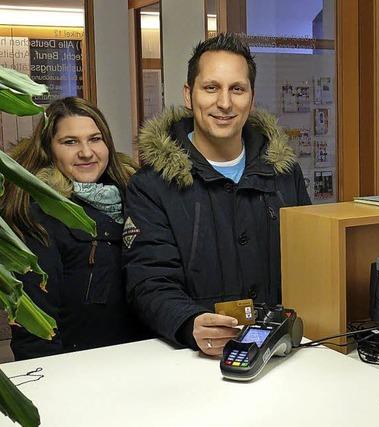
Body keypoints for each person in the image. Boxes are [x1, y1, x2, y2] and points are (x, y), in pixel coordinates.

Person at [123, 33, 310, 356]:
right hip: (197, 359)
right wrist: (188, 321)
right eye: (211, 88)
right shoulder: (151, 186)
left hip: (283, 352)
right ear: (188, 94)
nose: (224, 103)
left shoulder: (283, 173)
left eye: (237, 89)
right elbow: (148, 281)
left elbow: (310, 257)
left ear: (250, 98)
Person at [3, 97, 149, 360]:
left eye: (95, 139)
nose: (86, 152)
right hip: (79, 373)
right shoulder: (37, 216)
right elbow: (35, 329)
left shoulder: (137, 201)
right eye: (70, 142)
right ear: (49, 149)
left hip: (144, 361)